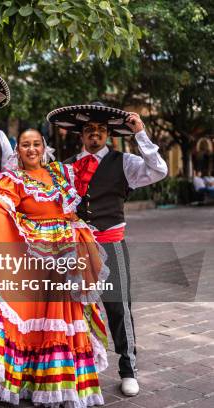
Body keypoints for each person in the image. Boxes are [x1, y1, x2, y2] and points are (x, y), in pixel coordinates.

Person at [0, 128, 109, 406]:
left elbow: (88, 176)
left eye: (36, 144)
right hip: (38, 252)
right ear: (17, 151)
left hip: (68, 249)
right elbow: (3, 205)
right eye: (25, 145)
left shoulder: (61, 173)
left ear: (44, 148)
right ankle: (35, 381)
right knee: (40, 318)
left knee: (67, 315)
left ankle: (62, 383)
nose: (31, 149)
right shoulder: (14, 179)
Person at [47, 102, 168, 397]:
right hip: (74, 246)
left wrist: (140, 133)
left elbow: (159, 170)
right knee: (75, 308)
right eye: (89, 129)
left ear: (109, 135)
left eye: (101, 130)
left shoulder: (124, 162)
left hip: (110, 242)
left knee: (117, 306)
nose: (95, 134)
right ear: (81, 135)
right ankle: (78, 367)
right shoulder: (66, 166)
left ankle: (128, 370)